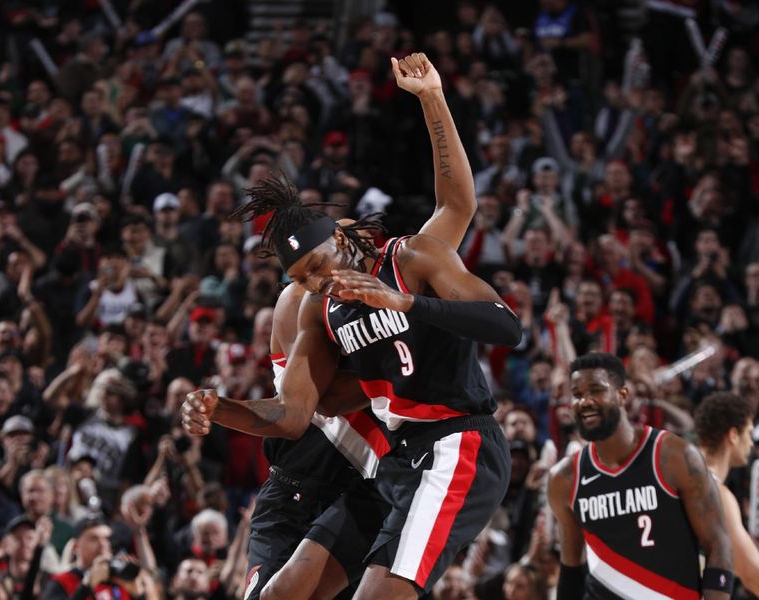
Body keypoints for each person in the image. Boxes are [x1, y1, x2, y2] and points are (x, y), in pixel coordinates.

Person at [183, 53, 521, 598]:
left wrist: (432, 97)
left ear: (341, 236)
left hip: (451, 441)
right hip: (377, 459)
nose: (316, 281)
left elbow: (503, 316)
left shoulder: (409, 259)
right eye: (301, 277)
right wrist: (219, 409)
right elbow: (295, 414)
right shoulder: (312, 306)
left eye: (317, 266)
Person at [547, 352, 733, 599]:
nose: (585, 401)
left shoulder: (674, 456)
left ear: (622, 395)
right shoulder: (565, 478)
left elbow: (718, 545)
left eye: (596, 390)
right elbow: (572, 569)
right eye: (578, 394)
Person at [694, 391, 759, 595]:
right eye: (748, 433)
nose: (750, 442)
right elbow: (750, 572)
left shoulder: (684, 477)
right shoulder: (715, 492)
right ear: (733, 435)